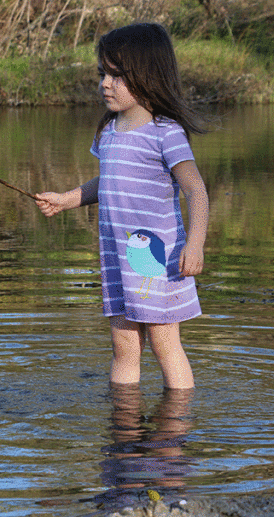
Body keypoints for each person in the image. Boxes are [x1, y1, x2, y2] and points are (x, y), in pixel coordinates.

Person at [36, 22, 208, 390]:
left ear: (147, 77)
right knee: (123, 345)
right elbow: (109, 182)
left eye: (117, 75)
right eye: (103, 74)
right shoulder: (109, 132)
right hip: (116, 259)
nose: (105, 84)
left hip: (158, 263)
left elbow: (195, 190)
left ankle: (176, 426)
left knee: (165, 344)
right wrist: (67, 199)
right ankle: (125, 428)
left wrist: (195, 244)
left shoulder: (166, 132)